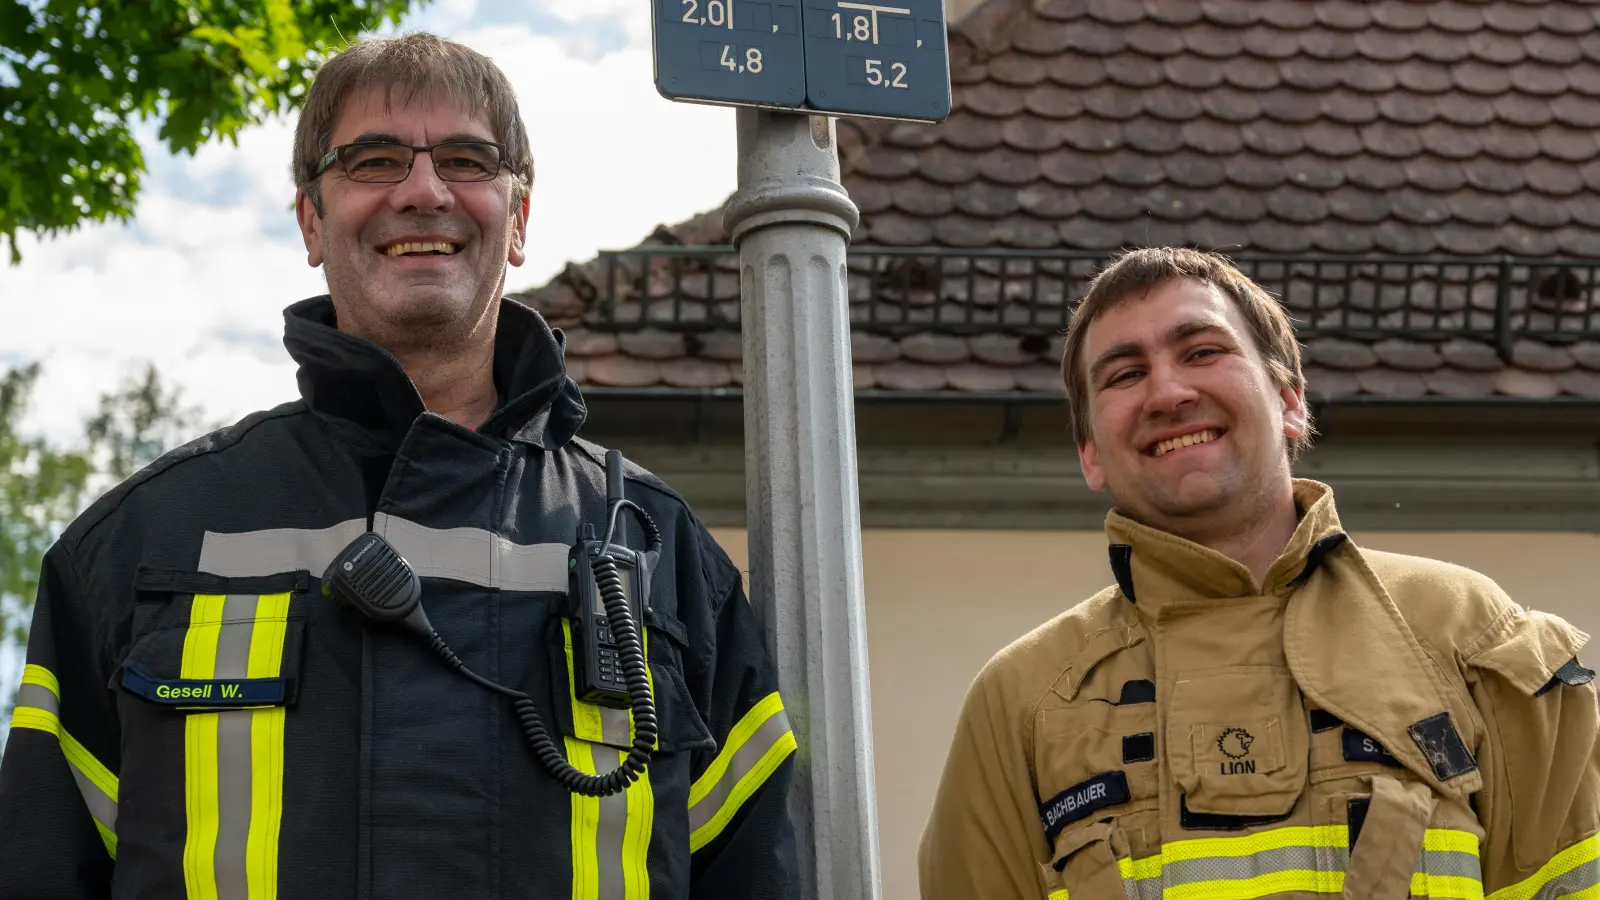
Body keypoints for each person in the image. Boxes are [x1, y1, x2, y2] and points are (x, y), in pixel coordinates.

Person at [0, 32, 798, 900]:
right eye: (375, 161)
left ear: (518, 219)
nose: (424, 191)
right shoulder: (136, 548)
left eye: (466, 159)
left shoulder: (667, 560)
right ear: (311, 220)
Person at [917, 247, 1600, 900]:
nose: (1168, 392)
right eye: (1125, 374)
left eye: (1202, 351)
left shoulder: (1473, 638)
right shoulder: (1022, 705)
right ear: (1090, 455)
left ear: (1290, 401)